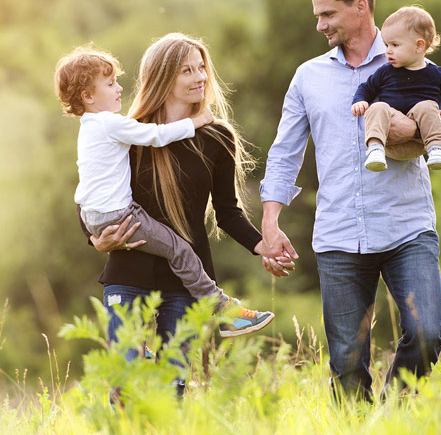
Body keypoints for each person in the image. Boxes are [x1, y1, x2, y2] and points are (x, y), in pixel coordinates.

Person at [259, 0, 441, 400]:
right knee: (346, 362)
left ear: (360, 7)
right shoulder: (309, 76)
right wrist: (270, 221)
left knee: (426, 333)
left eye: (328, 14)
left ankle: (390, 418)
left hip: (407, 226)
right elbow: (285, 152)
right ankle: (360, 426)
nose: (320, 24)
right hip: (339, 233)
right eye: (317, 16)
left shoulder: (417, 63)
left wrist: (417, 133)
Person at [55, 41, 277, 343]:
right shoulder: (131, 133)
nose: (200, 77)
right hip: (129, 276)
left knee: (174, 385)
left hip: (185, 285)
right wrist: (96, 239)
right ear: (163, 77)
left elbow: (227, 212)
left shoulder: (217, 137)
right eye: (188, 70)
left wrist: (263, 245)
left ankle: (223, 309)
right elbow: (92, 192)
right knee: (128, 382)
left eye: (202, 68)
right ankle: (222, 308)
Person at [351, 6, 441, 172]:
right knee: (378, 107)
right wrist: (360, 101)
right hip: (390, 140)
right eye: (386, 45)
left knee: (427, 106)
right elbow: (366, 88)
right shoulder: (385, 71)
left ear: (419, 46)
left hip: (421, 145)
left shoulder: (436, 74)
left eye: (395, 45)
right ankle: (375, 149)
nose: (388, 51)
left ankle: (436, 149)